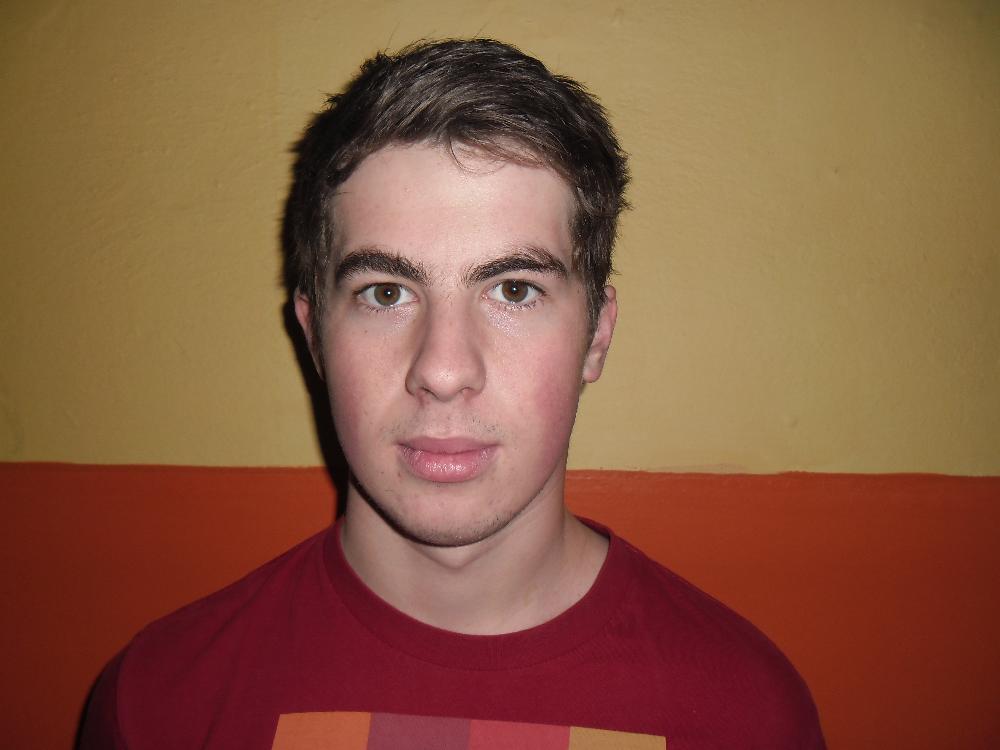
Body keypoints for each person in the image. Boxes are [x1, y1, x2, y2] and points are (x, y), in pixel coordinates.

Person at [79, 39, 825, 749]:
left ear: (597, 335)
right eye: (385, 292)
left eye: (513, 289)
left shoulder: (747, 718)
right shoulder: (157, 706)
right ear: (314, 336)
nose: (441, 369)